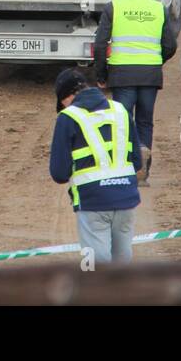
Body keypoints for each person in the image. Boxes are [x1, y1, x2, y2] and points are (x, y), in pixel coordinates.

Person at [92, 0, 178, 185]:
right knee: (145, 121)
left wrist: (101, 74)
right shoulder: (159, 9)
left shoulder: (115, 7)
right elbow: (170, 45)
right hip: (149, 75)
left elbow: (100, 44)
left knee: (122, 122)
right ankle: (143, 171)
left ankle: (126, 168)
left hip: (122, 75)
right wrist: (156, 61)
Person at [49, 68, 141, 263]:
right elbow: (138, 162)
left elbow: (59, 173)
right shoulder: (120, 110)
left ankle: (93, 294)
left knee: (93, 266)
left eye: (62, 102)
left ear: (68, 96)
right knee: (122, 264)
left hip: (92, 202)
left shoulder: (68, 117)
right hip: (126, 198)